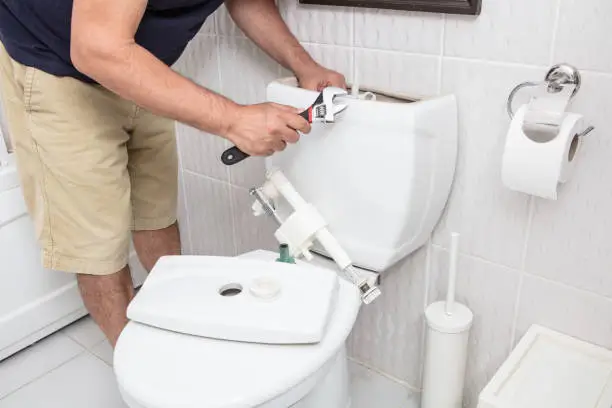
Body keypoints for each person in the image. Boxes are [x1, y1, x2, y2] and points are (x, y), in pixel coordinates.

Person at [0, 0, 347, 347]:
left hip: (137, 61)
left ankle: (181, 340)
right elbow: (97, 48)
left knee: (156, 213)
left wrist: (305, 65)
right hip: (57, 64)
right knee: (98, 248)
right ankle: (143, 379)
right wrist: (234, 119)